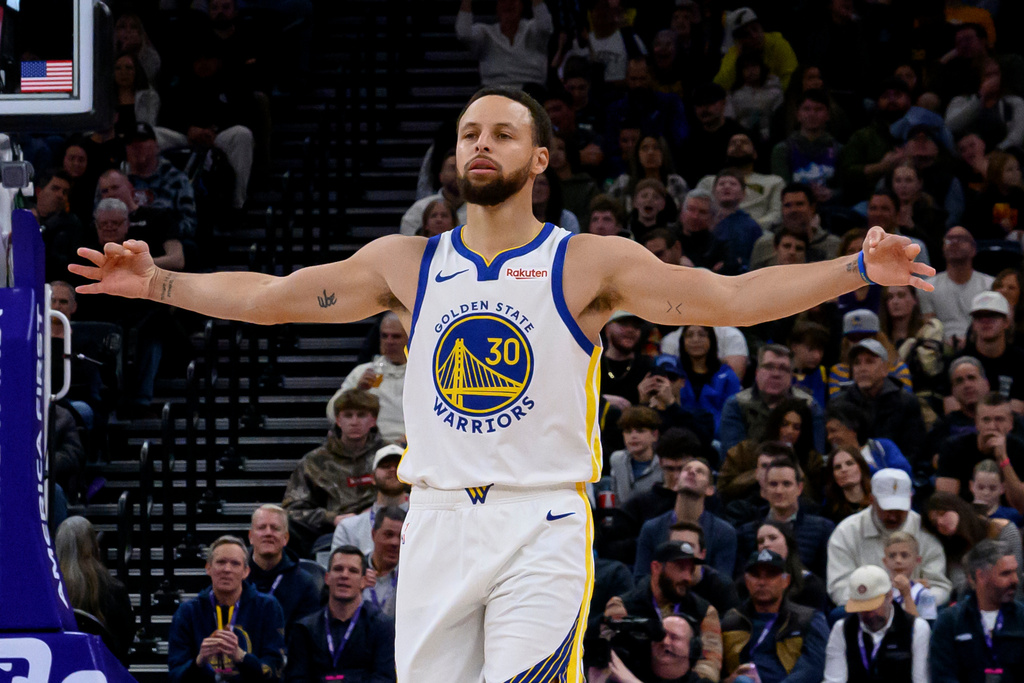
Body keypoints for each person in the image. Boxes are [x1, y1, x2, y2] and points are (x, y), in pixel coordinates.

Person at [74, 86, 934, 683]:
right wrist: (159, 283)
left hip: (540, 520)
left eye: (502, 134)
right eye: (468, 134)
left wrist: (856, 268)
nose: (480, 144)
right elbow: (273, 297)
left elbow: (732, 296)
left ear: (541, 158)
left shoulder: (585, 262)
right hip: (437, 520)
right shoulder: (409, 262)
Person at [826, 469, 951, 607]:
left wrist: (914, 600)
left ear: (911, 499)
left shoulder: (925, 531)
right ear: (872, 500)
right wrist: (883, 600)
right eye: (886, 509)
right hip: (864, 611)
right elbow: (839, 588)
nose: (893, 516)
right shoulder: (846, 532)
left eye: (899, 509)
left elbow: (939, 586)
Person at [168, 536, 286, 682]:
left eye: (235, 563)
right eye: (221, 562)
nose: (227, 569)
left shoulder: (267, 607)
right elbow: (174, 675)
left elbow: (275, 671)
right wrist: (199, 662)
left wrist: (242, 657)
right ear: (208, 568)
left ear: (246, 571)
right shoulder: (188, 612)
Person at [282, 389, 387, 553]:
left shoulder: (389, 456)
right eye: (348, 415)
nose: (354, 422)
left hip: (384, 527)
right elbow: (292, 511)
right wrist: (332, 518)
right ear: (338, 420)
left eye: (361, 415)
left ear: (373, 420)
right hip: (331, 532)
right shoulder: (315, 462)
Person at [606, 540, 723, 683]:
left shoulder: (705, 611)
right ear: (656, 567)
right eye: (680, 568)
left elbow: (710, 664)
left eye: (691, 570)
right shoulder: (622, 606)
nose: (688, 577)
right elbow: (606, 653)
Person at [284, 546, 397, 683]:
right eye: (338, 569)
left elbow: (384, 678)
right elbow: (296, 678)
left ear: (363, 581)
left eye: (353, 571)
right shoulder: (304, 629)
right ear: (327, 578)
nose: (344, 575)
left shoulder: (381, 627)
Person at [720, 549, 828, 683]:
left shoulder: (808, 619)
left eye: (770, 575)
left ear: (786, 581)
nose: (762, 582)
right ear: (747, 581)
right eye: (755, 575)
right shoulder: (731, 622)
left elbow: (812, 668)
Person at [929, 539, 1024, 682]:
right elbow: (943, 676)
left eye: (1015, 572)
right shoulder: (950, 621)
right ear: (981, 576)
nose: (1015, 580)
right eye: (1006, 574)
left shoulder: (1021, 618)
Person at [822, 565, 931, 683]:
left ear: (889, 596)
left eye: (873, 606)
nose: (868, 614)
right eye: (861, 608)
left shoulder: (916, 628)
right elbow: (834, 679)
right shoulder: (842, 628)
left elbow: (921, 680)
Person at [635, 458, 737, 580]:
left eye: (700, 472)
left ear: (710, 490)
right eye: (687, 469)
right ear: (675, 484)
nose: (692, 472)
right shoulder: (651, 528)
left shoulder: (724, 532)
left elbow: (723, 582)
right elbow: (641, 578)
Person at [828, 339, 926, 465]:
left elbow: (914, 452)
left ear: (885, 368)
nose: (862, 368)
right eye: (857, 363)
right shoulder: (838, 405)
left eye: (869, 362)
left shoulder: (906, 402)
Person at [718, 345, 826, 457]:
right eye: (769, 367)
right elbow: (731, 458)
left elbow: (816, 458)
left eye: (783, 369)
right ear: (757, 372)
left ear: (791, 375)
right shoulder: (736, 404)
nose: (776, 374)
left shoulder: (809, 405)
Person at [735, 457, 835, 576]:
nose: (779, 490)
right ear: (765, 490)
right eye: (773, 484)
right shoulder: (746, 533)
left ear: (799, 488)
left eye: (786, 484)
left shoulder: (823, 529)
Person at [55, 516, 135, 664]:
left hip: (60, 665)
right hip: (105, 668)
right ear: (94, 545)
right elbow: (126, 638)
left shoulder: (49, 592)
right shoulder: (114, 589)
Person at [923, 491, 1024, 601]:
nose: (940, 522)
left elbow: (1015, 578)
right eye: (935, 523)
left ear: (957, 508)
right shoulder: (948, 549)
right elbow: (960, 590)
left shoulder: (1002, 530)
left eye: (942, 513)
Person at [718, 401, 823, 505]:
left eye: (796, 427)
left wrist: (795, 467)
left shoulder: (812, 459)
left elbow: (814, 502)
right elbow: (723, 490)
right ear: (775, 425)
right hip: (747, 508)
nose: (789, 431)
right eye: (784, 424)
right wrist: (758, 473)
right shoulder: (745, 450)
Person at [327, 312, 409, 443]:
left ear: (409, 337)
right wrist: (357, 391)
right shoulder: (363, 372)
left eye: (396, 337)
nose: (389, 342)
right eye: (384, 336)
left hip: (412, 445)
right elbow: (332, 414)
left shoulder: (425, 374)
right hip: (369, 446)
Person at [936, 392, 1024, 512]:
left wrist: (1003, 458)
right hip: (966, 517)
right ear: (976, 423)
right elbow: (946, 504)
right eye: (986, 420)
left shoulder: (1020, 450)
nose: (992, 426)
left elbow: (1021, 506)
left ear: (1011, 423)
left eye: (999, 419)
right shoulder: (953, 448)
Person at [247, 504, 321, 636]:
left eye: (275, 528)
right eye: (262, 527)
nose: (268, 533)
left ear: (285, 538)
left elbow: (306, 637)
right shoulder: (235, 577)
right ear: (251, 536)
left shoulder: (304, 584)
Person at [918, 226, 994, 347]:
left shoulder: (990, 285)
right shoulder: (927, 287)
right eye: (949, 240)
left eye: (961, 239)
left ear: (974, 249)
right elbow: (929, 326)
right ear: (943, 249)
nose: (954, 243)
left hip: (980, 345)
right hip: (940, 347)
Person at [695, 134, 784, 230]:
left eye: (744, 142)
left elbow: (776, 214)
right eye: (732, 143)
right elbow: (696, 210)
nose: (738, 144)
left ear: (755, 154)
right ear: (726, 153)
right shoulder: (708, 182)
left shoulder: (773, 182)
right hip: (716, 231)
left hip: (758, 232)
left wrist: (748, 228)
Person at [332, 444, 410, 555]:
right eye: (385, 466)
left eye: (398, 465)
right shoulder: (349, 528)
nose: (393, 469)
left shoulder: (425, 520)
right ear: (372, 478)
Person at [455, 0, 552, 89]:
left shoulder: (532, 29)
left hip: (531, 92)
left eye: (513, 1)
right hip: (495, 92)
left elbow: (545, 26)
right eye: (503, 1)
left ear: (521, 6)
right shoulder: (486, 33)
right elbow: (464, 34)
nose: (508, 4)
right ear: (497, 8)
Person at [955, 291, 1024, 412]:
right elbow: (954, 412)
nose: (985, 321)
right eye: (979, 316)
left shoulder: (1020, 360)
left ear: (1006, 322)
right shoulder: (958, 363)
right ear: (973, 324)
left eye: (993, 315)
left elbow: (1018, 411)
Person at [588, 614, 701, 683]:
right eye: (661, 634)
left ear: (693, 648)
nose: (665, 641)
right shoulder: (629, 665)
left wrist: (630, 680)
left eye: (674, 637)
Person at [747, 521, 828, 613]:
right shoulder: (746, 583)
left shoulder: (811, 585)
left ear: (788, 543)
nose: (765, 544)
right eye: (760, 541)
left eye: (772, 538)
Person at [669, 521, 742, 617]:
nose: (681, 553)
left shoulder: (722, 587)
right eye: (675, 546)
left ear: (702, 554)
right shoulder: (662, 581)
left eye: (688, 546)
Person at [609, 406, 664, 507]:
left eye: (640, 431)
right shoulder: (617, 460)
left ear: (654, 435)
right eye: (628, 431)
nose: (633, 436)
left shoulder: (664, 464)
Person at [882, 531, 939, 621]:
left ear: (917, 560)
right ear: (885, 561)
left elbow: (926, 626)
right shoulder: (880, 591)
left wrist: (907, 595)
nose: (898, 560)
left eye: (904, 555)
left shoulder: (924, 593)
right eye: (892, 556)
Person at [363, 505, 404, 619]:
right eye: (389, 535)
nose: (395, 543)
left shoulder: (411, 577)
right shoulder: (355, 571)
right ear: (373, 534)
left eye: (400, 537)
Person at [822, 446, 873, 524]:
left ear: (861, 467)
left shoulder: (878, 501)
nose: (844, 469)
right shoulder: (828, 513)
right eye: (837, 467)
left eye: (849, 463)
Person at [970, 459, 1024, 525]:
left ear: (1002, 488)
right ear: (971, 486)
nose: (986, 493)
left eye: (992, 488)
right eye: (981, 488)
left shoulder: (1014, 516)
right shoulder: (963, 515)